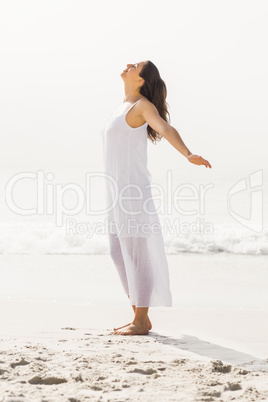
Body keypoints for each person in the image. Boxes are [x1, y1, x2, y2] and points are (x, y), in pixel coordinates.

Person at [101, 60, 212, 336]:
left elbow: (164, 128)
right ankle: (140, 313)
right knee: (117, 252)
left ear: (141, 80)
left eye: (135, 66)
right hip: (115, 192)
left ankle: (140, 320)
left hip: (132, 191)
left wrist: (187, 154)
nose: (129, 65)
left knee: (138, 253)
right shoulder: (121, 107)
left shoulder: (142, 106)